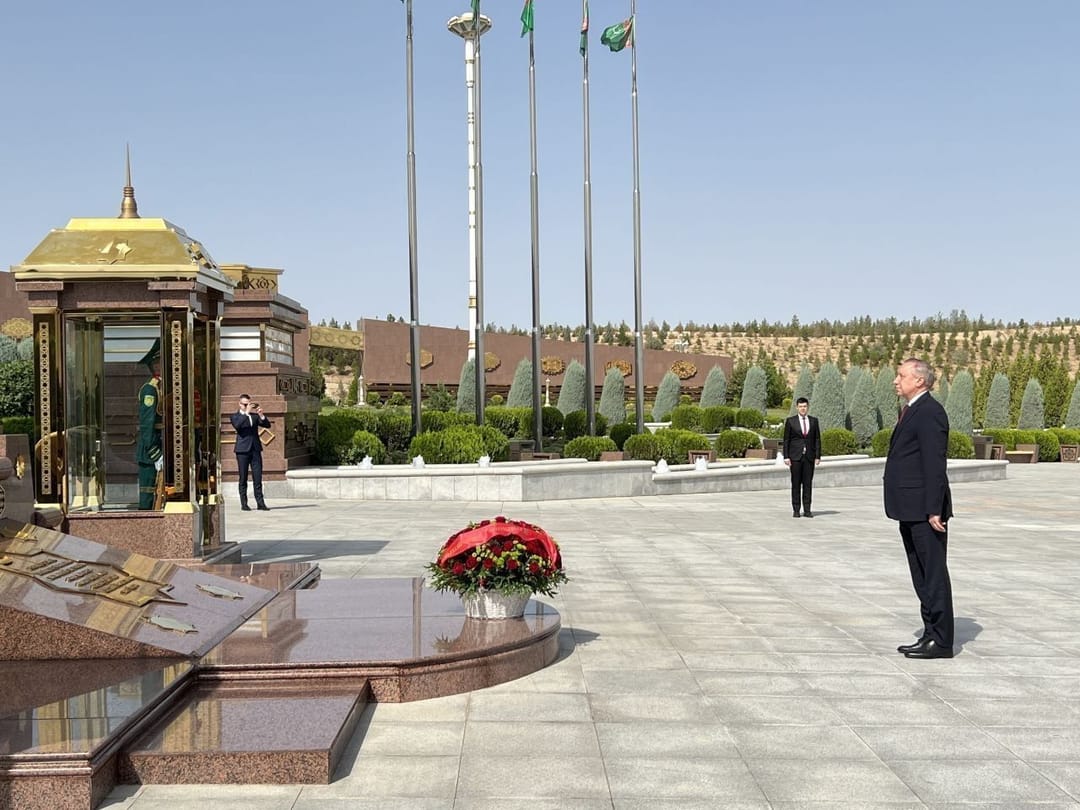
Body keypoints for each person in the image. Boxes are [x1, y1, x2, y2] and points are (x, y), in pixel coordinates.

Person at [884, 358, 954, 659]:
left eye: (901, 376)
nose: (896, 381)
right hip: (909, 508)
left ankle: (941, 640)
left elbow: (934, 464)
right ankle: (930, 633)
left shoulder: (930, 412)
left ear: (920, 381)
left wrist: (934, 509)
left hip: (926, 511)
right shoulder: (912, 410)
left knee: (933, 573)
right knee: (921, 574)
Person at [135, 340, 164, 510]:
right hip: (150, 451)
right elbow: (147, 424)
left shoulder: (162, 387)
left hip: (161, 445)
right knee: (148, 497)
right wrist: (155, 453)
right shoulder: (150, 390)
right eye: (159, 362)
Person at [231, 394, 271, 511]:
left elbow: (267, 425)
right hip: (242, 450)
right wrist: (246, 413)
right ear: (240, 404)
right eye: (244, 404)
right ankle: (244, 503)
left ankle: (260, 503)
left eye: (249, 404)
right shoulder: (235, 416)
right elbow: (238, 426)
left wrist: (261, 415)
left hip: (255, 449)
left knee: (257, 477)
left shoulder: (254, 416)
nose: (247, 406)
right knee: (243, 477)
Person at [782, 396, 821, 517]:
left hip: (809, 457)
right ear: (797, 407)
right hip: (795, 457)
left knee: (807, 484)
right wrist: (786, 456)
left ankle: (807, 509)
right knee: (796, 483)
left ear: (807, 407)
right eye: (801, 406)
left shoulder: (814, 421)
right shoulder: (791, 421)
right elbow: (786, 440)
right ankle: (796, 509)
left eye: (805, 406)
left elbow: (817, 439)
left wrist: (818, 456)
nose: (803, 409)